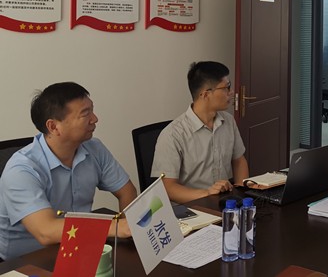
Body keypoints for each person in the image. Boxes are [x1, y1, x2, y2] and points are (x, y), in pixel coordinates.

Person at [0, 82, 136, 261]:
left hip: (78, 247)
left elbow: (127, 191)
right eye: (85, 114)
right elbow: (46, 231)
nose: (95, 118)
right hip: (26, 261)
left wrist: (128, 234)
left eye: (92, 110)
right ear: (53, 126)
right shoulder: (21, 170)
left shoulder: (94, 149)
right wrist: (117, 227)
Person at [152, 61, 250, 203]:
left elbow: (239, 161)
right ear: (205, 94)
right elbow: (167, 188)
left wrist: (241, 195)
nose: (231, 92)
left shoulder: (228, 121)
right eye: (226, 87)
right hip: (192, 207)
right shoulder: (173, 135)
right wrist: (207, 193)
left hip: (225, 202)